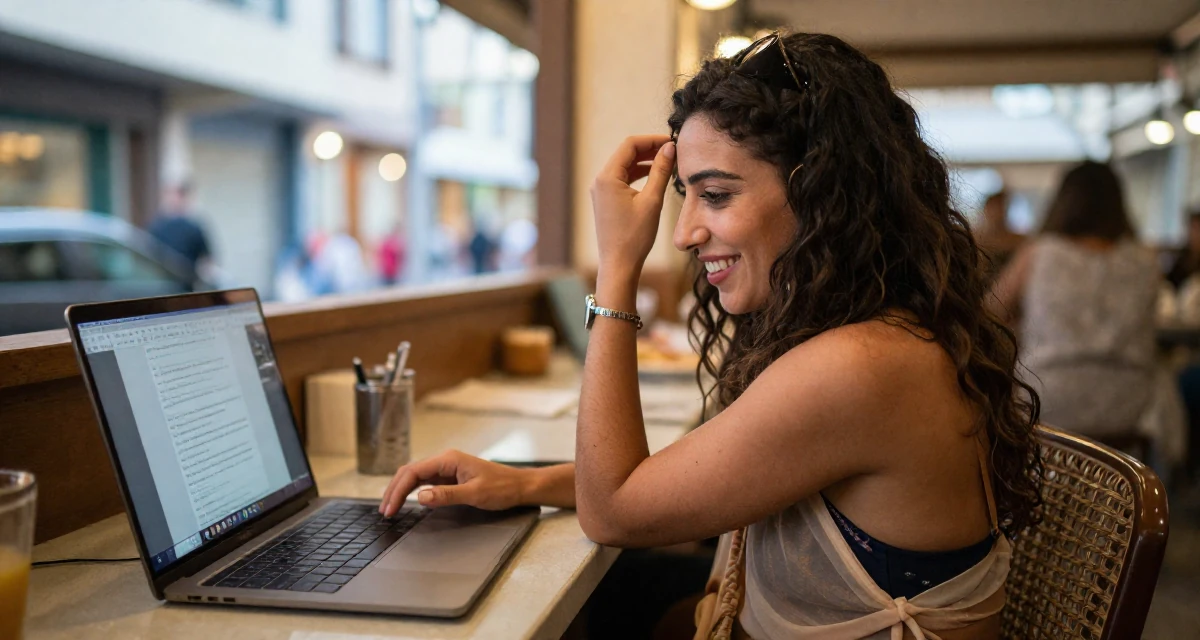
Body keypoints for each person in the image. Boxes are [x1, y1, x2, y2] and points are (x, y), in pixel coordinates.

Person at [380, 32, 1043, 639]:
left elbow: (614, 512)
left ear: (821, 193)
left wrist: (616, 271)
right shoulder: (878, 336)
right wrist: (523, 485)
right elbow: (685, 476)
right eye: (686, 195)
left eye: (717, 195)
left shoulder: (863, 364)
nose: (684, 232)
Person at [989, 161, 1160, 439]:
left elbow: (991, 310)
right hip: (1128, 403)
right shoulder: (1145, 260)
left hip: (1047, 400)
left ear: (1063, 201)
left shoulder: (1040, 253)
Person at [147, 181, 213, 277]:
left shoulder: (193, 228)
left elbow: (206, 259)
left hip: (186, 281)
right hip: (162, 281)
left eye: (178, 195)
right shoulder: (157, 227)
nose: (174, 199)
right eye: (170, 194)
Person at [975, 190, 1024, 274]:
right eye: (993, 208)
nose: (997, 213)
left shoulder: (1018, 240)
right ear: (986, 209)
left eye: (1000, 208)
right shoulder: (977, 239)